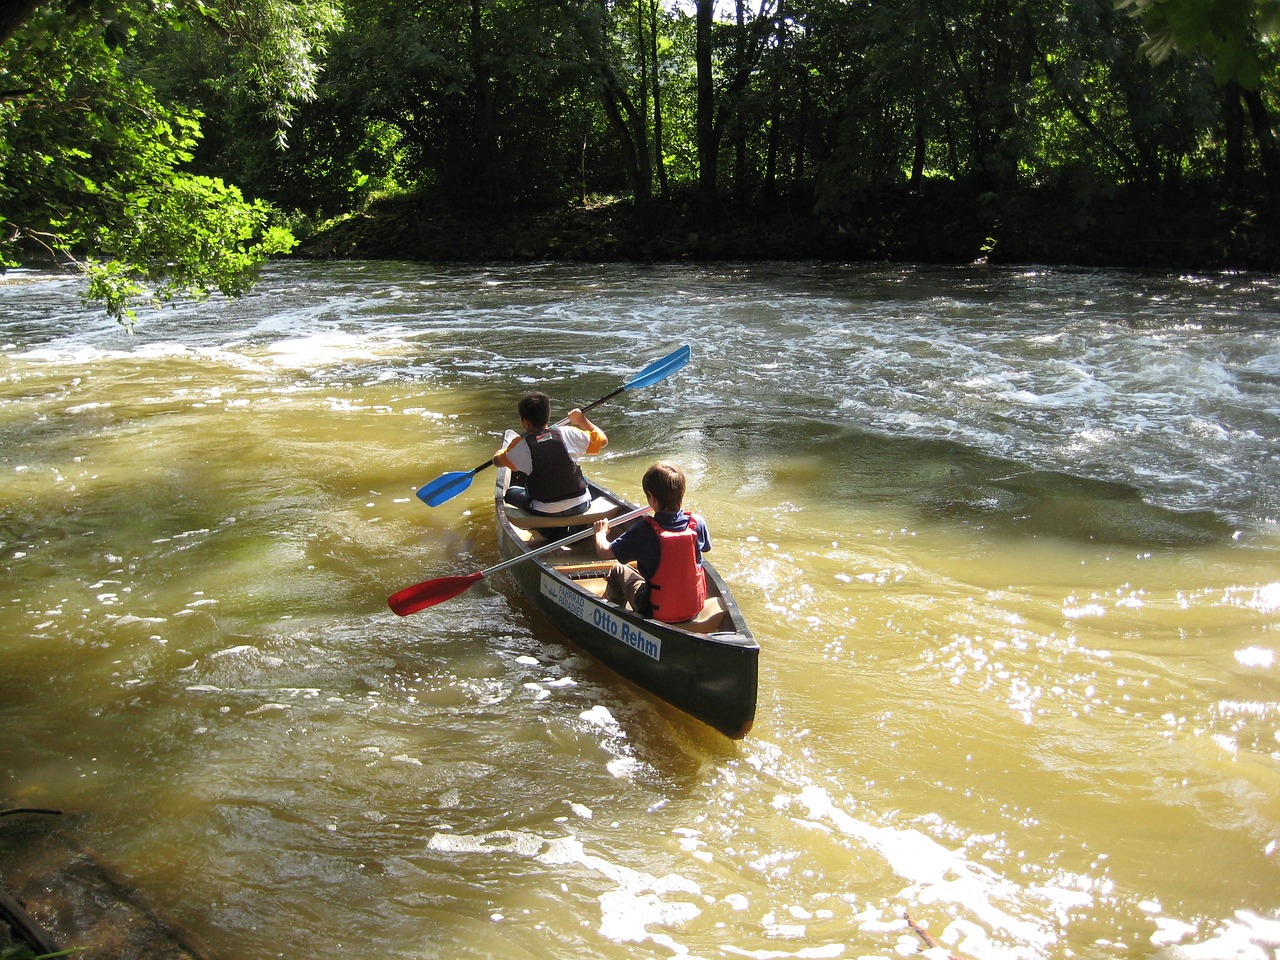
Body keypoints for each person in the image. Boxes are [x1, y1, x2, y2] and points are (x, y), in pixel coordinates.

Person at [593, 460, 710, 623]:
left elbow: (604, 552)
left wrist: (600, 533)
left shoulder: (643, 530)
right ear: (681, 494)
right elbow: (705, 549)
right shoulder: (697, 522)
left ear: (651, 497)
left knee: (618, 570)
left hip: (655, 612)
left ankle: (612, 620)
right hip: (693, 610)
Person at [493, 391, 608, 537]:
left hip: (545, 510)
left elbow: (497, 462)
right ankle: (576, 530)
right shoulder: (569, 432)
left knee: (511, 493)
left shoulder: (519, 446)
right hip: (581, 504)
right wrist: (581, 420)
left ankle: (550, 531)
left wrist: (501, 452)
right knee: (583, 484)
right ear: (548, 415)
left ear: (525, 422)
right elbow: (603, 440)